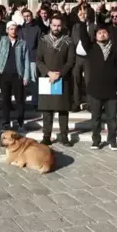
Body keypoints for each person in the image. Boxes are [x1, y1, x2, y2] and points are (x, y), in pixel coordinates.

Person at [77, 13, 117, 151]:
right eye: (99, 33)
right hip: (95, 89)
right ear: (95, 36)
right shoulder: (91, 47)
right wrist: (82, 22)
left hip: (112, 90)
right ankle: (96, 140)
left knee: (112, 118)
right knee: (96, 118)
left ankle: (113, 141)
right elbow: (83, 37)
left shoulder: (116, 48)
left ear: (108, 34)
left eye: (104, 32)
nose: (102, 34)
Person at [36, 14, 75, 146]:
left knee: (63, 110)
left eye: (59, 25)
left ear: (62, 26)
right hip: (47, 79)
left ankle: (64, 136)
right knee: (47, 110)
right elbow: (39, 60)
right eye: (54, 25)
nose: (56, 28)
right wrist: (48, 72)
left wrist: (60, 73)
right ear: (50, 25)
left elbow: (70, 61)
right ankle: (46, 136)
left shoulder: (68, 41)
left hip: (62, 78)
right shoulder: (43, 40)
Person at [0, 22, 30, 131]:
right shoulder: (2, 40)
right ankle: (5, 122)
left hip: (18, 75)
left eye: (15, 29)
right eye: (11, 29)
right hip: (5, 74)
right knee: (5, 100)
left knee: (20, 101)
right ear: (7, 30)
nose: (13, 31)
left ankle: (20, 123)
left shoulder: (22, 43)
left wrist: (26, 76)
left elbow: (26, 60)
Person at [19, 9, 42, 108]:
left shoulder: (37, 28)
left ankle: (35, 101)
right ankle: (21, 101)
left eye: (28, 15)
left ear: (32, 16)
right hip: (22, 58)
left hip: (33, 57)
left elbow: (40, 43)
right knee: (22, 80)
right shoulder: (20, 29)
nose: (26, 18)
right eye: (24, 16)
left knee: (33, 79)